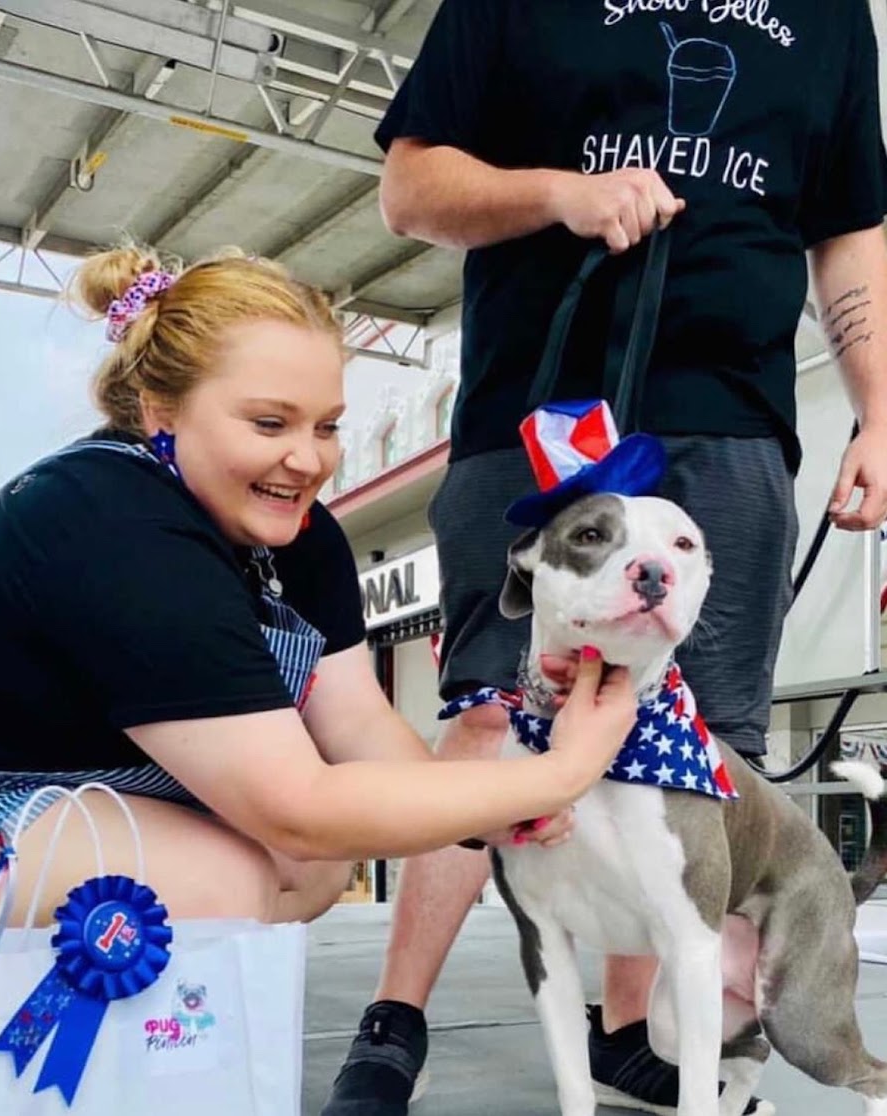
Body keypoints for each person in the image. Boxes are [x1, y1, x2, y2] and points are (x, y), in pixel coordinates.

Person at [321, 2, 887, 1114]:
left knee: (696, 745)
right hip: (539, 410)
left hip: (731, 421)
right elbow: (410, 188)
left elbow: (850, 227)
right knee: (492, 711)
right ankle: (395, 1024)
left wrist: (874, 410)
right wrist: (560, 193)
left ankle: (631, 1029)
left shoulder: (826, 18)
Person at [0, 245, 638, 952]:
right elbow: (296, 803)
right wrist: (562, 772)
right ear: (161, 415)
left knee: (307, 869)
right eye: (269, 423)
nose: (307, 459)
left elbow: (359, 726)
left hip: (43, 786)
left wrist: (491, 805)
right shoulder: (110, 520)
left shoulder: (303, 536)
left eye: (327, 425)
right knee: (210, 884)